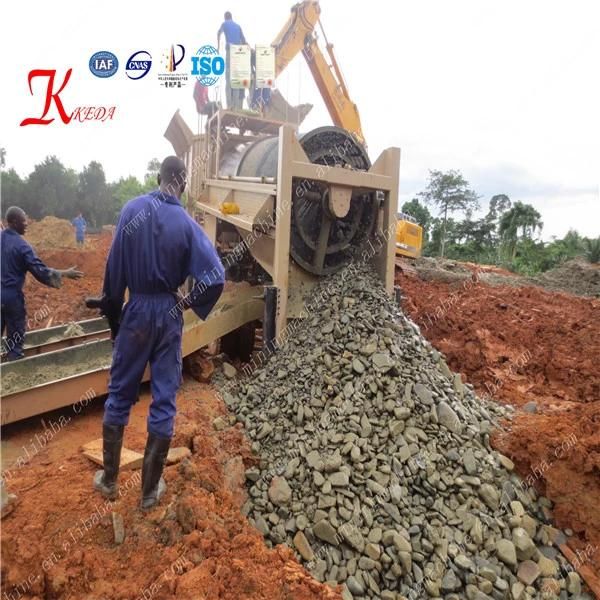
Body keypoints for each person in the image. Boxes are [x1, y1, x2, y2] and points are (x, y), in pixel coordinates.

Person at [91, 156, 225, 510]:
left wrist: (115, 318)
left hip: (136, 311)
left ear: (158, 177)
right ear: (182, 184)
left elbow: (114, 271)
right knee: (164, 399)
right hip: (168, 314)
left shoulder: (131, 210)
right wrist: (187, 303)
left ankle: (109, 480)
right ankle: (149, 493)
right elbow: (216, 276)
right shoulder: (187, 223)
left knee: (119, 394)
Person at [1, 207, 83, 360]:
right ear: (13, 222)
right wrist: (65, 273)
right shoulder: (22, 247)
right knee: (15, 343)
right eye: (23, 221)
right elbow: (41, 271)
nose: (26, 224)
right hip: (11, 298)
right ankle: (13, 371)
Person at [217, 11, 247, 111]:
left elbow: (218, 33)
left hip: (230, 50)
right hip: (239, 52)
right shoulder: (238, 26)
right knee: (237, 81)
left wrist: (217, 47)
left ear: (225, 17)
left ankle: (230, 105)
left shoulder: (224, 24)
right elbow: (244, 40)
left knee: (229, 79)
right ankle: (236, 106)